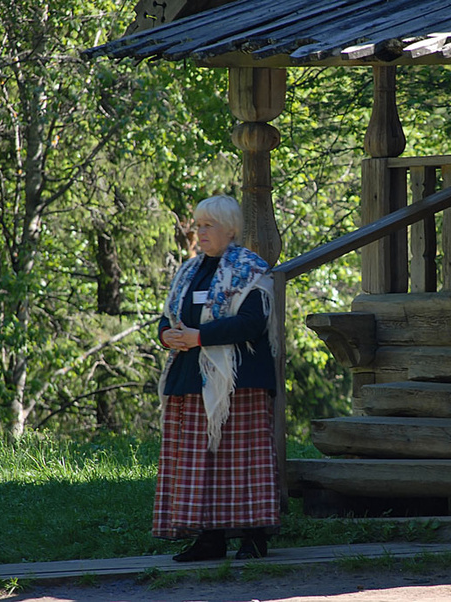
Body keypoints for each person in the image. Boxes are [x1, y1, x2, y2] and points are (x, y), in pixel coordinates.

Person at [154, 194, 279, 562]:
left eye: (208, 225)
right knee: (200, 460)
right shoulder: (188, 271)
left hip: (240, 382)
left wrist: (200, 337)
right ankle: (209, 540)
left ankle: (254, 539)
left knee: (241, 461)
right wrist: (167, 335)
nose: (199, 231)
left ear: (230, 230)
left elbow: (252, 323)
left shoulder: (251, 269)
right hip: (192, 379)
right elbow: (168, 316)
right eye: (198, 224)